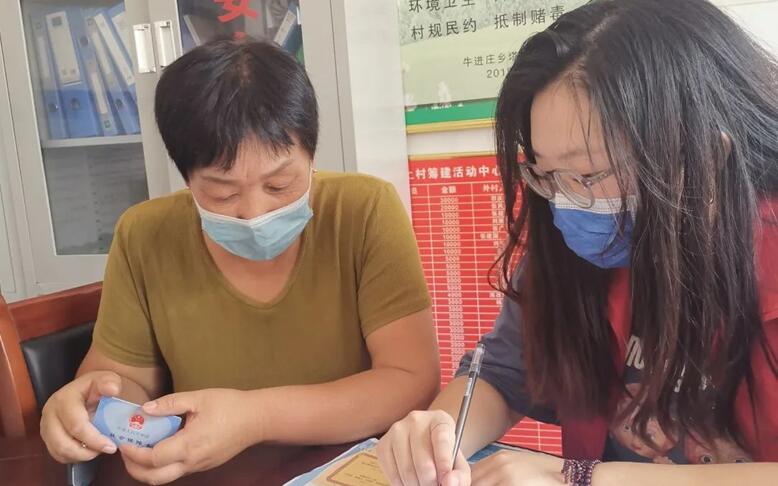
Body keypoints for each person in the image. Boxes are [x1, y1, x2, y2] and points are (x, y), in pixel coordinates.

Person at [377, 0, 778, 484]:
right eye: (547, 173)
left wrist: (585, 477)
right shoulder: (576, 251)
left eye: (587, 174)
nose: (565, 202)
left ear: (707, 158)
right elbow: (504, 374)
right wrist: (439, 435)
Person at [40, 39, 440, 484]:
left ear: (311, 155)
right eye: (222, 192)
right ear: (186, 178)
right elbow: (125, 382)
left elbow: (410, 380)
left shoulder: (363, 211)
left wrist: (255, 417)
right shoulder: (145, 235)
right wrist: (94, 404)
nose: (254, 212)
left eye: (279, 184)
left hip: (345, 470)